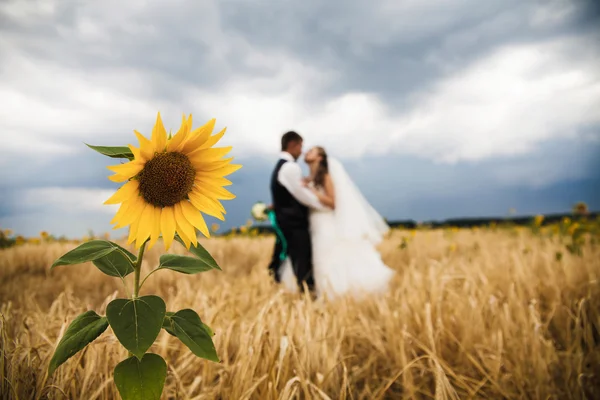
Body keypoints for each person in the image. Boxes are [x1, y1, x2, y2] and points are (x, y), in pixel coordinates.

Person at [278, 146, 395, 299]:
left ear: (320, 157)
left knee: (326, 256)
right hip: (314, 222)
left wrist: (312, 191)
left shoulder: (325, 175)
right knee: (316, 258)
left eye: (312, 151)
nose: (307, 152)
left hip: (325, 222)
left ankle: (334, 293)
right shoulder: (310, 176)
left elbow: (333, 202)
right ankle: (321, 293)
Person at [267, 131, 329, 292]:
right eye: (301, 146)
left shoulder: (281, 166)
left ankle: (303, 292)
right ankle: (308, 294)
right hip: (294, 223)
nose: (302, 151)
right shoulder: (290, 167)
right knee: (302, 261)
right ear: (293, 145)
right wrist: (326, 208)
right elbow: (303, 196)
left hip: (287, 221)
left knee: (294, 258)